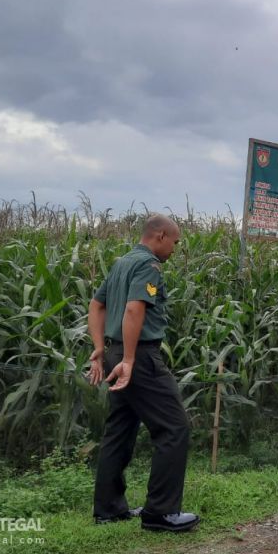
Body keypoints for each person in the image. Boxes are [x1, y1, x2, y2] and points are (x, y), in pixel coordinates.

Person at [87, 215, 200, 532]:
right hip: (137, 357)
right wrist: (132, 359)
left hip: (114, 352)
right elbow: (135, 309)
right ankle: (161, 513)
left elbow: (96, 305)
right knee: (174, 427)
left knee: (120, 428)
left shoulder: (122, 262)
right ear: (161, 236)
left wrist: (100, 349)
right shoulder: (148, 266)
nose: (175, 249)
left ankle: (108, 509)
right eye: (175, 242)